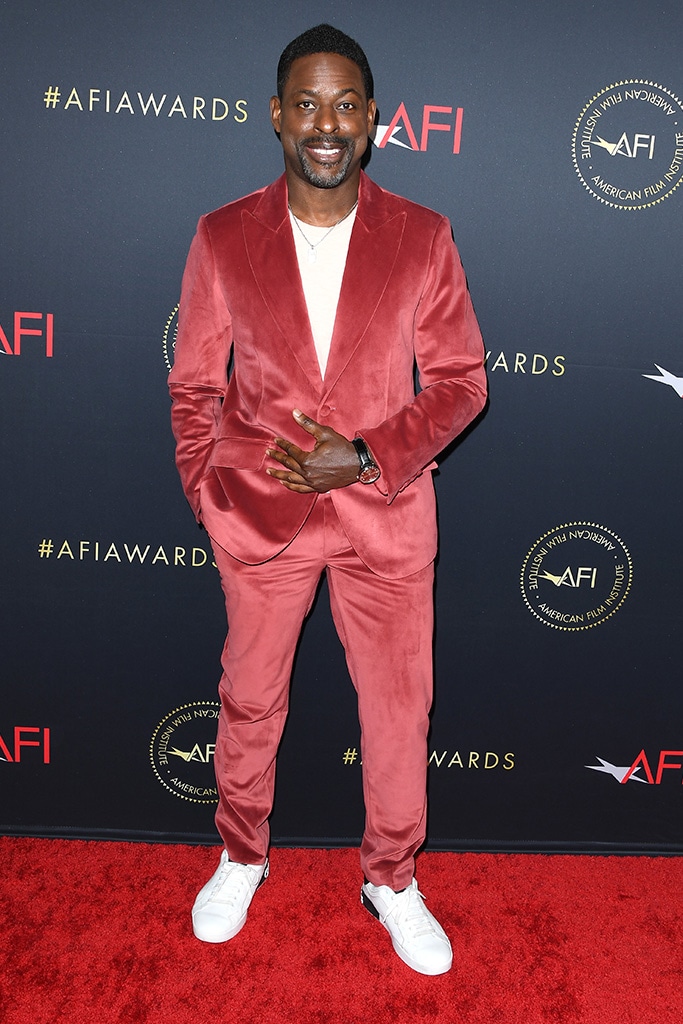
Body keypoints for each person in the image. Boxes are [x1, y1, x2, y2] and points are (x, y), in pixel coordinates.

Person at [169, 23, 487, 976]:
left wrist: (366, 455)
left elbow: (462, 382)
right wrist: (207, 493)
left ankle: (391, 877)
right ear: (276, 115)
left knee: (397, 713)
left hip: (385, 523)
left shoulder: (423, 235)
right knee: (250, 699)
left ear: (373, 122)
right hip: (259, 523)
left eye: (345, 104)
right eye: (306, 103)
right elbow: (193, 388)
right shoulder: (222, 234)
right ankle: (239, 852)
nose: (325, 123)